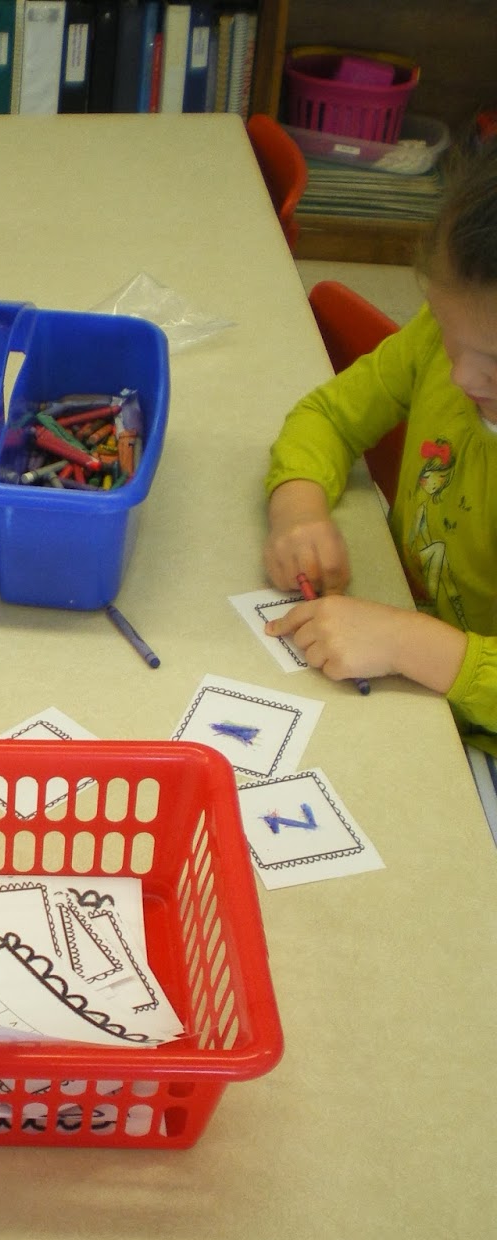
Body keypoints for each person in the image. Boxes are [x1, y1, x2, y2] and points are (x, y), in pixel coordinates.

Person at [263, 135, 497, 833]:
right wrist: (298, 508)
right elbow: (328, 415)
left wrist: (406, 643)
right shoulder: (450, 341)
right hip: (406, 690)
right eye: (453, 343)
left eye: (493, 363)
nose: (460, 379)